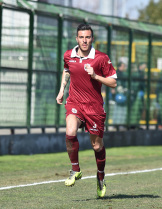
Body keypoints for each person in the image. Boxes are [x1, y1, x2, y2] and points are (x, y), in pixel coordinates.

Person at [56, 23, 117, 198]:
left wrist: (96, 76)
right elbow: (66, 70)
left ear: (92, 38)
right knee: (70, 131)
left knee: (96, 145)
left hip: (94, 107)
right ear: (77, 38)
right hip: (75, 102)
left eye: (88, 37)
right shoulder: (69, 55)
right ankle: (75, 169)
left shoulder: (101, 58)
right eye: (81, 37)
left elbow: (113, 82)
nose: (84, 40)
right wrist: (62, 90)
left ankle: (100, 176)